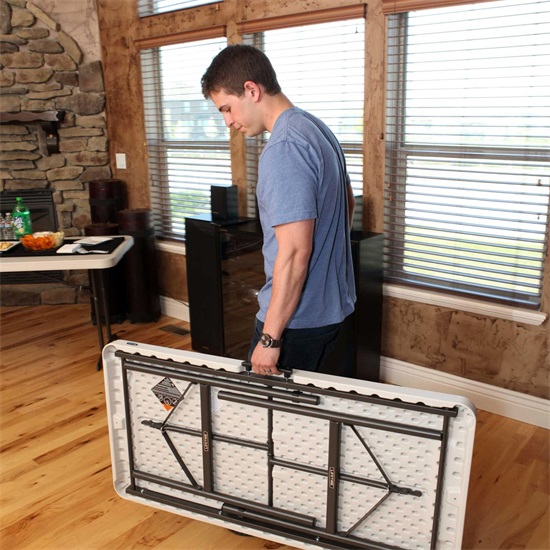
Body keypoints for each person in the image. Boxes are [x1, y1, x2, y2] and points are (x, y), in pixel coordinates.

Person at [201, 44, 356, 376]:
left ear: (252, 90)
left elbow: (295, 251)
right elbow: (349, 202)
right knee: (305, 408)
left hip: (294, 323)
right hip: (329, 311)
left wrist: (270, 339)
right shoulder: (315, 128)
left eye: (227, 108)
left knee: (261, 409)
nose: (228, 121)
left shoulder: (284, 148)